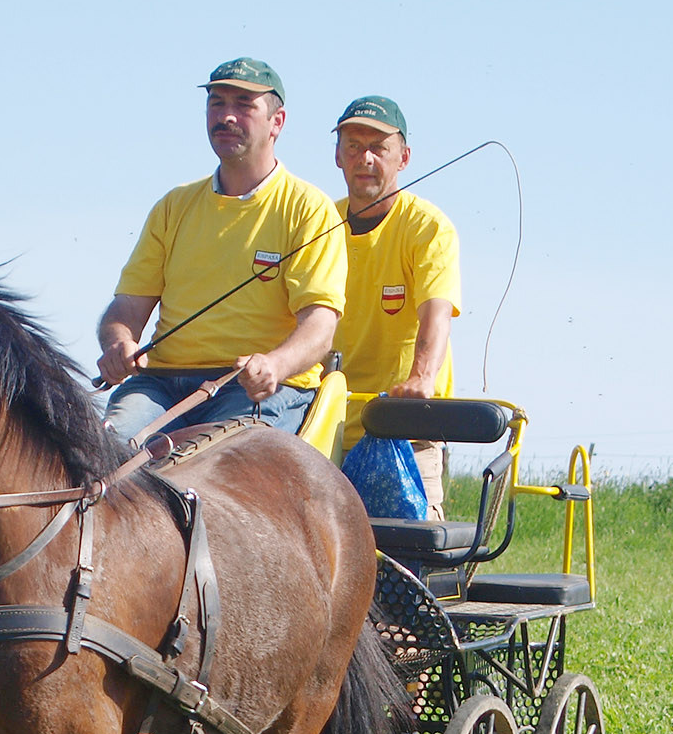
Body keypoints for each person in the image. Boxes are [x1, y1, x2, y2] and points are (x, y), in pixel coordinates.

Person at [97, 58, 347, 442]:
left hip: (252, 390)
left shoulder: (308, 207)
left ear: (277, 122)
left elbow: (319, 327)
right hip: (159, 386)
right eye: (217, 103)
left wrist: (274, 365)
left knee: (210, 471)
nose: (226, 116)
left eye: (244, 104)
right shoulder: (173, 206)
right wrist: (118, 344)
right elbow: (126, 308)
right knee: (99, 456)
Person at [329, 95, 461, 520]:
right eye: (353, 146)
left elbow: (436, 313)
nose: (364, 158)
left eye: (378, 148)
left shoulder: (427, 227)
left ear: (403, 158)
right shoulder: (319, 226)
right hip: (326, 429)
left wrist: (420, 380)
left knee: (408, 553)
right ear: (337, 156)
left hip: (404, 431)